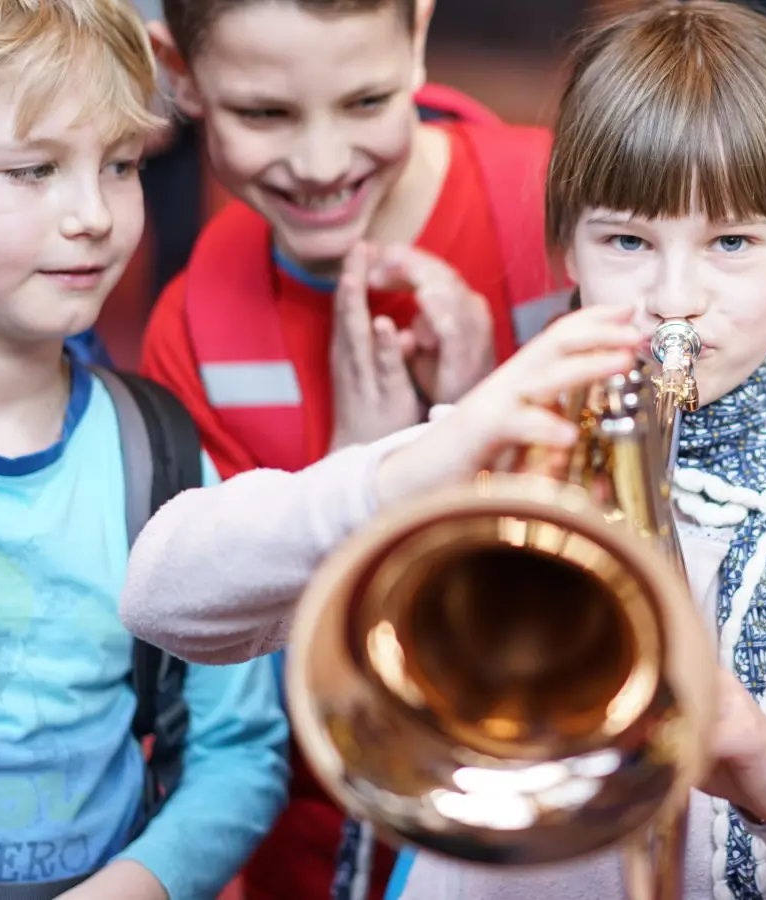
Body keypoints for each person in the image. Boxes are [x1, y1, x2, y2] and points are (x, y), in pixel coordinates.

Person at [121, 3, 766, 898]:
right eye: (627, 240)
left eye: (732, 242)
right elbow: (159, 595)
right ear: (564, 244)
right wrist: (436, 450)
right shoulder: (499, 457)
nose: (675, 298)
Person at [0, 1, 288, 896]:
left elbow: (241, 744)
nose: (94, 215)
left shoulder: (158, 455)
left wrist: (140, 883)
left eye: (119, 164)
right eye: (34, 170)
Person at [137, 1, 560, 895]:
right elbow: (219, 681)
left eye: (366, 101)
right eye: (265, 113)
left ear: (417, 36)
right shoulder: (193, 331)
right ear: (177, 73)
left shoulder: (563, 212)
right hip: (320, 850)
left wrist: (481, 432)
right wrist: (355, 469)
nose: (324, 163)